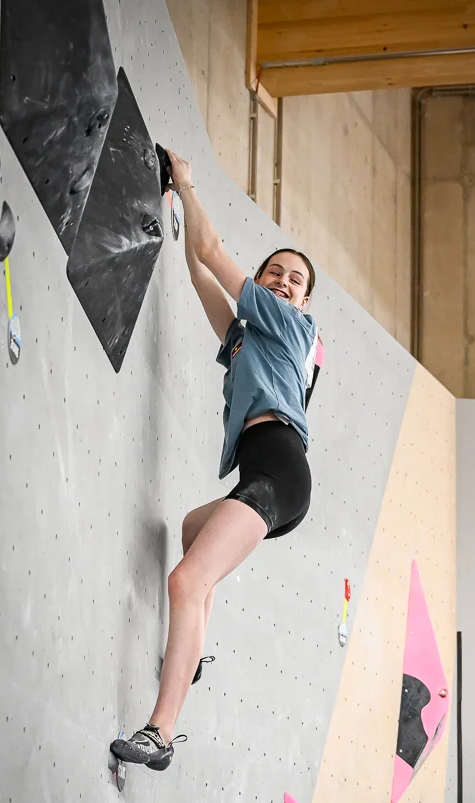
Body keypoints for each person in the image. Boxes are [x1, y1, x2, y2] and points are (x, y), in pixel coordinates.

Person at [110, 150, 321, 771]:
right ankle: (194, 650)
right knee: (192, 533)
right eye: (275, 273)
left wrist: (189, 186)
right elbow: (201, 269)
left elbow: (212, 250)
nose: (283, 283)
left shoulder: (289, 328)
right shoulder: (246, 338)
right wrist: (172, 207)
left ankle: (159, 733)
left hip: (280, 471)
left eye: (294, 281)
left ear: (300, 303)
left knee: (185, 581)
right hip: (263, 473)